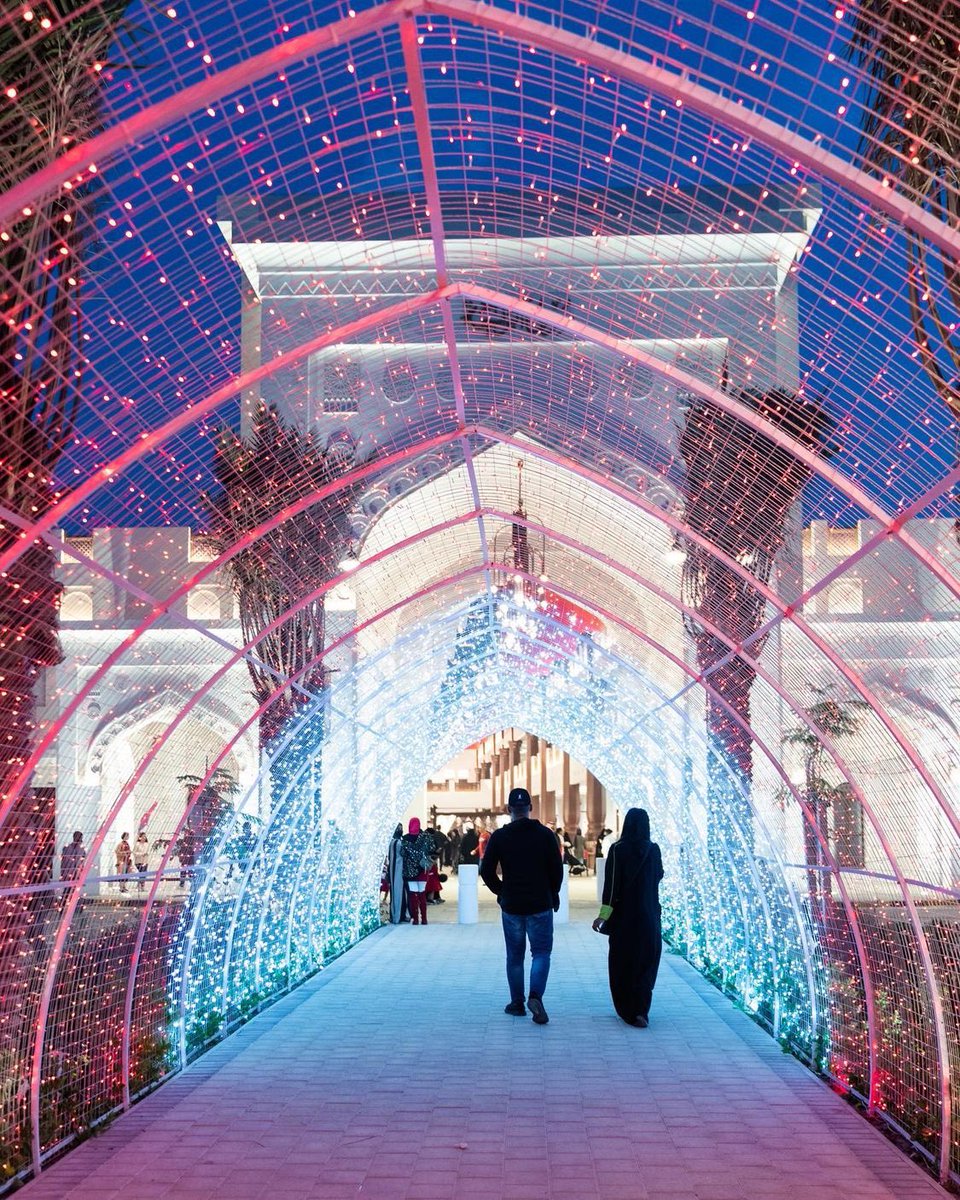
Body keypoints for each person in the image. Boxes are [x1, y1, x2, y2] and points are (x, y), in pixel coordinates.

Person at [480, 787, 563, 1025]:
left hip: (512, 905)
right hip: (540, 903)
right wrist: (553, 893)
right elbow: (556, 870)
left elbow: (486, 870)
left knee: (515, 956)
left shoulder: (500, 836)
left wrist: (501, 891)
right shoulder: (546, 835)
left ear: (509, 809)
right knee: (541, 953)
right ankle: (535, 996)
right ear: (530, 808)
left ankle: (517, 1003)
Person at [592, 808, 664, 1028]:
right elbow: (659, 876)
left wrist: (603, 916)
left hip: (624, 920)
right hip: (650, 917)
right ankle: (641, 1010)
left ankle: (627, 1010)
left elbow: (612, 887)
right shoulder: (653, 850)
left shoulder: (618, 850)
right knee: (645, 963)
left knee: (622, 963)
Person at [401, 817, 434, 925]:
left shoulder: (405, 839)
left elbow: (402, 853)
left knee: (413, 896)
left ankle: (415, 919)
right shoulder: (425, 837)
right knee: (422, 895)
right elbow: (432, 848)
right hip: (422, 870)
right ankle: (424, 919)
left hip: (410, 872)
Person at [386, 823, 406, 923]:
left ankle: (398, 915)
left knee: (398, 892)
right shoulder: (397, 843)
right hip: (396, 871)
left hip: (396, 871)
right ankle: (397, 915)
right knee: (397, 892)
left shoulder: (394, 842)